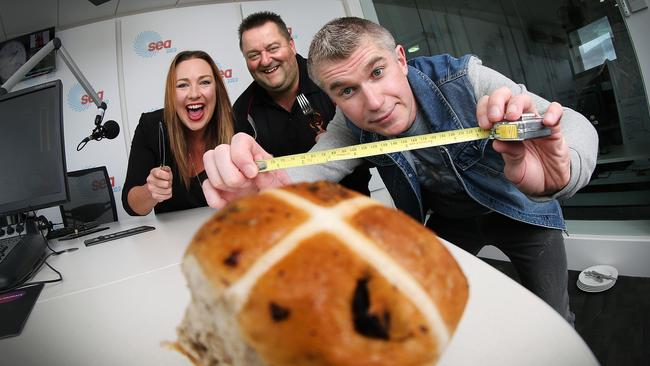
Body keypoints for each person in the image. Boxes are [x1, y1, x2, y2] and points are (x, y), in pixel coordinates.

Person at [200, 17, 599, 324]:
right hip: (450, 223)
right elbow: (314, 168)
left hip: (522, 211)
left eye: (377, 72)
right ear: (332, 96)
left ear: (401, 60)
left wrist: (565, 174)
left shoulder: (465, 78)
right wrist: (269, 189)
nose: (373, 102)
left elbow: (573, 124)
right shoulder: (348, 125)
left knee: (555, 316)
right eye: (347, 90)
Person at [233, 11, 371, 195]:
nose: (265, 60)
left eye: (273, 48)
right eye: (253, 55)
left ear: (291, 45)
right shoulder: (242, 110)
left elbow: (374, 140)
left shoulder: (331, 80)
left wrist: (340, 145)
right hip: (290, 213)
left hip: (352, 208)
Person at [122, 50, 235, 216]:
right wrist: (151, 191)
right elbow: (131, 206)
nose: (194, 94)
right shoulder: (152, 126)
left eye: (204, 82)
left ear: (217, 89)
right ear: (171, 94)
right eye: (182, 85)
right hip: (172, 240)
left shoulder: (237, 124)